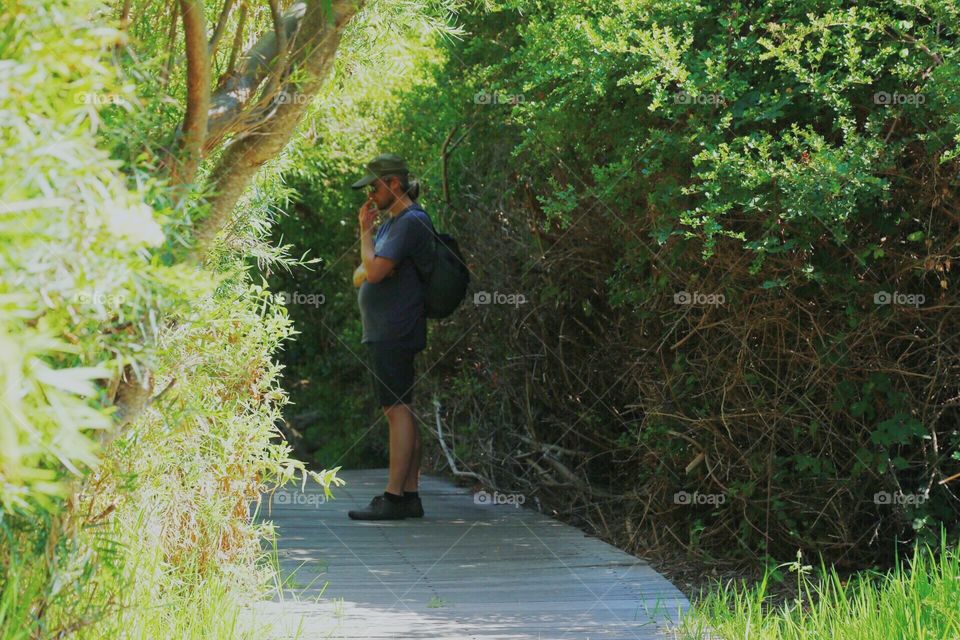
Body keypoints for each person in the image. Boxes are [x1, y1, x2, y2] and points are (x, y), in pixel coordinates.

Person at [347, 153, 435, 520]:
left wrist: (364, 234)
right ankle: (409, 494)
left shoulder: (409, 222)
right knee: (401, 408)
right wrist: (369, 263)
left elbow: (374, 271)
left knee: (396, 409)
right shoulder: (392, 223)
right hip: (387, 331)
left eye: (374, 185)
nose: (370, 193)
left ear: (393, 184)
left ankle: (395, 497)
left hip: (395, 330)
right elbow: (360, 273)